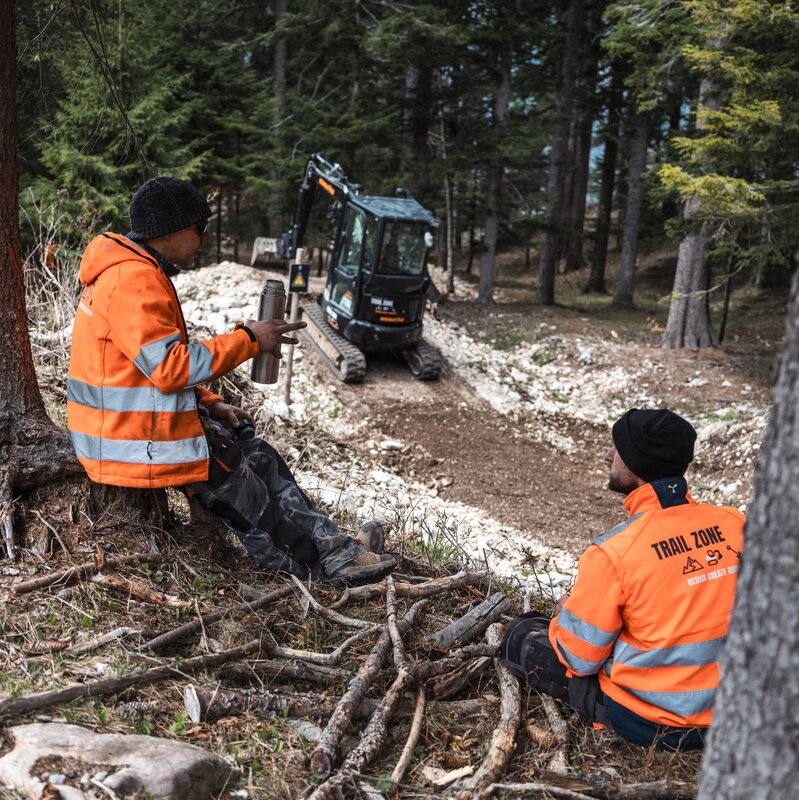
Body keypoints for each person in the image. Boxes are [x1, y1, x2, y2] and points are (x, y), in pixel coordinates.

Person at [67, 176, 396, 586]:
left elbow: (139, 366)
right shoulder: (133, 280)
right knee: (240, 480)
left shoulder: (131, 271)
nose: (202, 240)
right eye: (198, 230)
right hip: (131, 444)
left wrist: (208, 403)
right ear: (169, 230)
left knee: (259, 453)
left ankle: (336, 546)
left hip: (132, 432)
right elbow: (169, 368)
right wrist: (249, 340)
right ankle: (318, 568)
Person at [501, 409, 745, 750]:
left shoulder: (614, 553)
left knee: (522, 634)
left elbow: (579, 659)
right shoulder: (736, 523)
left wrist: (565, 614)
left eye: (617, 447)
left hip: (656, 724)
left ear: (636, 463)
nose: (607, 455)